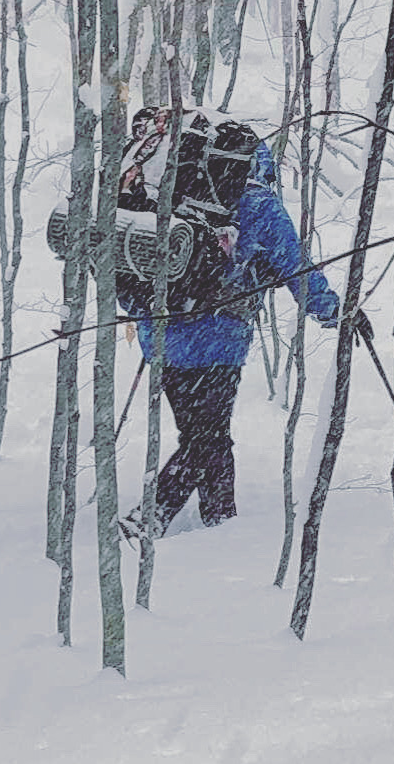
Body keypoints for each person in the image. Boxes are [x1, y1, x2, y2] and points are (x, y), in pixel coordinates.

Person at [120, 128, 338, 537]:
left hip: (162, 336)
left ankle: (221, 522)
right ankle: (149, 520)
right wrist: (334, 313)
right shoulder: (257, 203)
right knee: (206, 439)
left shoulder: (165, 193)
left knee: (203, 434)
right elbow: (297, 270)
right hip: (218, 343)